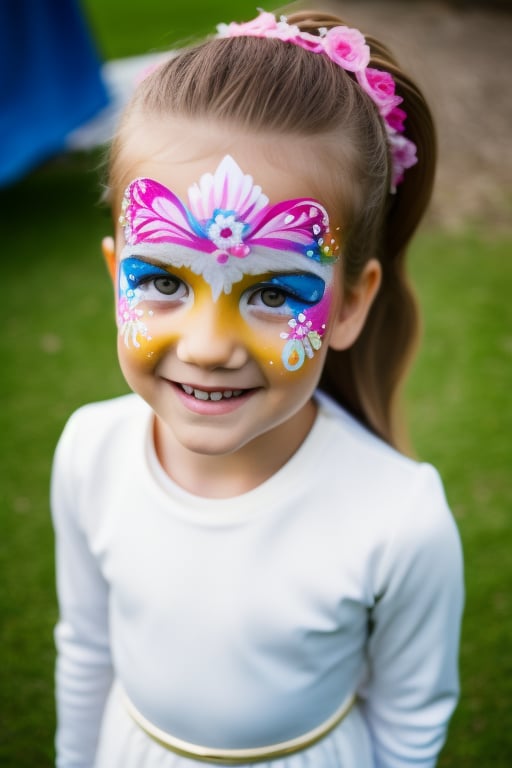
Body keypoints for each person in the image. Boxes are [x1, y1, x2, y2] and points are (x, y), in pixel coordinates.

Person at [51, 8, 464, 768]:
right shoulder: (88, 454)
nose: (207, 349)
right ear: (116, 277)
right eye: (163, 280)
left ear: (349, 303)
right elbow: (85, 649)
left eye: (275, 293)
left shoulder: (402, 521)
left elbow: (411, 720)